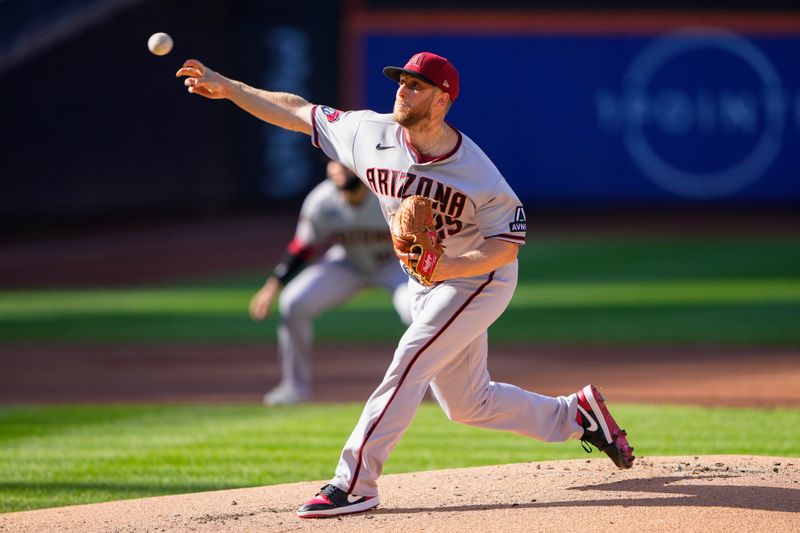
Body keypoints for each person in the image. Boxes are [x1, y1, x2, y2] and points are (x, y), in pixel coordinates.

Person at [177, 51, 634, 519]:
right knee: (467, 404)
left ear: (442, 101)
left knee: (410, 357)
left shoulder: (477, 172)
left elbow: (507, 246)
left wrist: (447, 271)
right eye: (401, 81)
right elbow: (297, 110)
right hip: (425, 279)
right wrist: (230, 87)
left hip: (477, 277)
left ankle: (354, 482)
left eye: (415, 86)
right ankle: (576, 415)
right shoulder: (367, 133)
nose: (402, 90)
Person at [249, 159, 412, 406]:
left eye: (344, 165)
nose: (337, 170)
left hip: (395, 264)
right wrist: (272, 286)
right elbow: (302, 247)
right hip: (348, 262)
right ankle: (294, 387)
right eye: (333, 164)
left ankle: (437, 382)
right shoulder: (322, 200)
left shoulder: (387, 196)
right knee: (294, 302)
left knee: (415, 311)